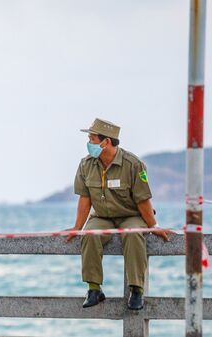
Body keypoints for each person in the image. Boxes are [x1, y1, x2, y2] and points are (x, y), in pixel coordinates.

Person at [64, 118, 174, 311]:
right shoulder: (86, 164)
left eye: (92, 138)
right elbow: (85, 199)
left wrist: (153, 226)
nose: (89, 143)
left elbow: (143, 199)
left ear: (105, 141)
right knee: (89, 235)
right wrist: (77, 228)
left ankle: (136, 290)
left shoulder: (133, 164)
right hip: (102, 217)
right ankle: (94, 289)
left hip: (131, 215)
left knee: (132, 234)